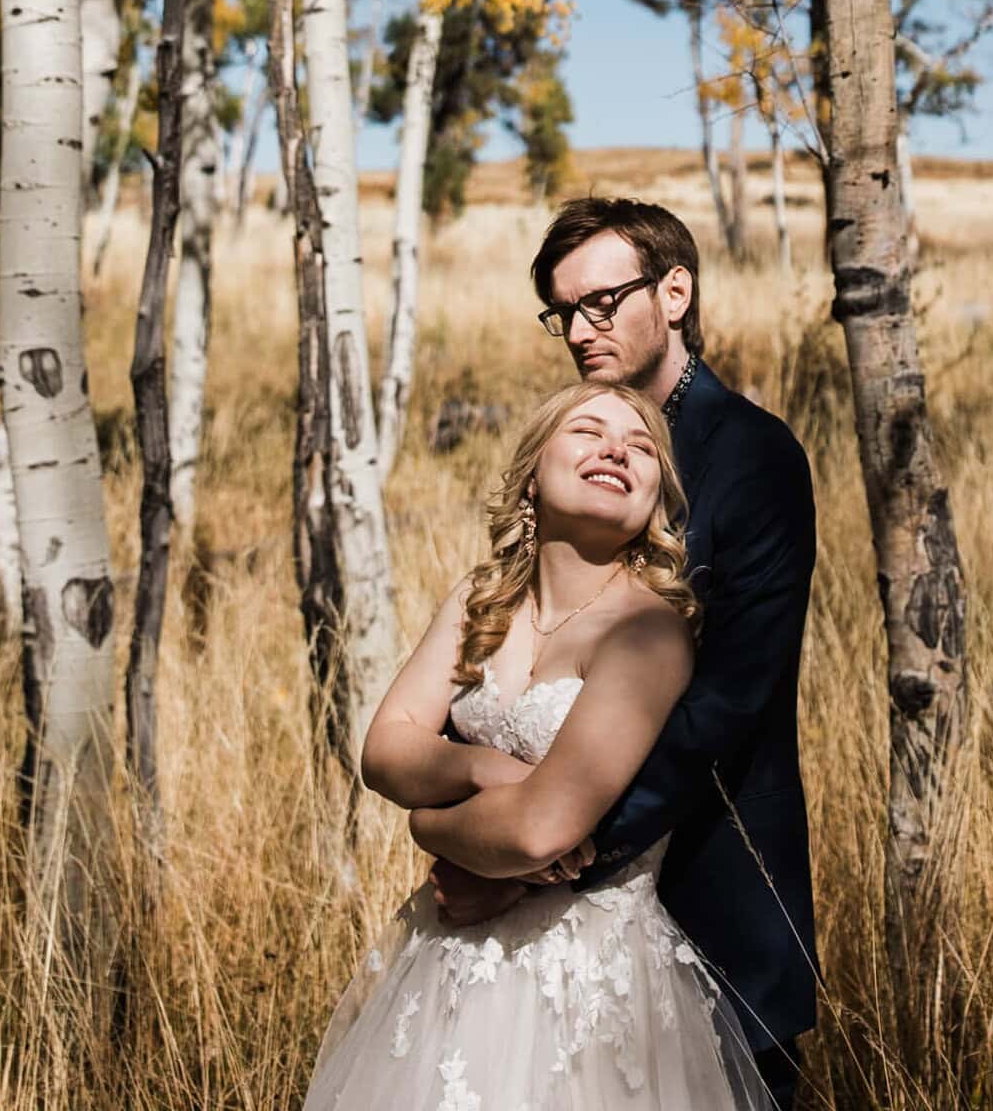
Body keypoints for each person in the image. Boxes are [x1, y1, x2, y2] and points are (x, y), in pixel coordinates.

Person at [429, 198, 818, 1109]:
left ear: (674, 291)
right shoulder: (573, 454)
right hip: (515, 930)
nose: (578, 329)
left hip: (704, 898)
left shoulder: (753, 457)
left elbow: (725, 706)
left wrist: (545, 857)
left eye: (601, 302)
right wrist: (476, 828)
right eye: (561, 312)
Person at [302, 382, 776, 1110]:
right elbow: (385, 751)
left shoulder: (645, 630)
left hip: (584, 980)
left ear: (655, 501)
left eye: (642, 446)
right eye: (588, 431)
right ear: (532, 472)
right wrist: (479, 764)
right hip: (450, 956)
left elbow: (540, 829)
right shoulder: (477, 602)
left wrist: (427, 824)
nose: (617, 449)